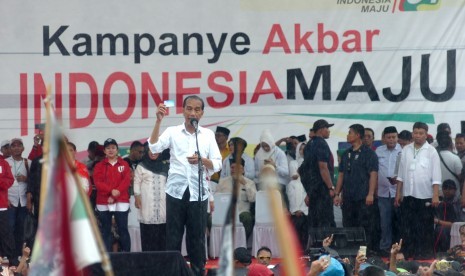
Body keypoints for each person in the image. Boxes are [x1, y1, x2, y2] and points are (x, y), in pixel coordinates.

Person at [147, 95, 222, 276]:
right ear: (183, 111)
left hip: (199, 193)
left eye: (197, 109)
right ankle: (170, 272)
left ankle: (197, 272)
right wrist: (158, 121)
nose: (192, 113)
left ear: (202, 114)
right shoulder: (173, 131)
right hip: (175, 192)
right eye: (189, 109)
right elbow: (154, 148)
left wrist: (202, 161)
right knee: (173, 236)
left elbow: (218, 163)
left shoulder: (207, 135)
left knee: (197, 238)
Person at [395, 122, 442, 259]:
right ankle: (409, 252)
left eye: (421, 133)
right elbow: (401, 174)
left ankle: (424, 253)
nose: (418, 136)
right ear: (412, 133)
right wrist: (398, 193)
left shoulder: (431, 151)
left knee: (424, 226)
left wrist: (435, 195)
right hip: (408, 194)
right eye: (415, 133)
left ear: (426, 134)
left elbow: (436, 175)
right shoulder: (406, 150)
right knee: (408, 225)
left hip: (426, 195)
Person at [334, 124, 379, 253]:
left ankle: (365, 252)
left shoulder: (369, 154)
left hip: (363, 197)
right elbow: (341, 175)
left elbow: (373, 174)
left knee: (364, 226)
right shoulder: (346, 154)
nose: (348, 135)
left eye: (350, 133)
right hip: (348, 198)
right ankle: (351, 252)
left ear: (358, 135)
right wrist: (337, 194)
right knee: (348, 225)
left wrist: (370, 193)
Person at [93, 138, 131, 252]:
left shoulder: (124, 164)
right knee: (105, 229)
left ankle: (127, 256)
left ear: (117, 150)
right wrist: (111, 191)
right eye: (108, 148)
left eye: (113, 148)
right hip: (103, 201)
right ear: (104, 151)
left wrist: (114, 195)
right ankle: (107, 256)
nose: (111, 150)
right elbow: (97, 182)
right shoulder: (99, 166)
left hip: (121, 200)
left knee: (123, 228)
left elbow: (126, 181)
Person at [300, 119, 336, 229]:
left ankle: (315, 244)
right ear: (321, 129)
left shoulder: (309, 145)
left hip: (313, 189)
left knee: (314, 220)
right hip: (322, 189)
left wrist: (309, 191)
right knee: (325, 220)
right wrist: (330, 187)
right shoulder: (321, 144)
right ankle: (326, 245)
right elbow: (323, 168)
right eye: (327, 128)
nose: (329, 131)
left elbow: (303, 170)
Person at [133, 144, 170, 251]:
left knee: (162, 233)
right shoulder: (141, 166)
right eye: (150, 150)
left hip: (162, 204)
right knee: (147, 232)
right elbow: (136, 182)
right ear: (147, 151)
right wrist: (137, 196)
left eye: (156, 150)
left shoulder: (165, 166)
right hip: (146, 204)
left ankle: (161, 261)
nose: (153, 153)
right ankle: (148, 261)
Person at [376, 126, 402, 256]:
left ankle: (399, 247)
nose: (391, 139)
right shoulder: (378, 151)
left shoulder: (403, 150)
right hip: (382, 193)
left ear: (397, 138)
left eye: (394, 137)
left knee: (399, 222)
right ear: (383, 138)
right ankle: (385, 248)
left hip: (398, 192)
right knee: (384, 222)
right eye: (388, 137)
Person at [216, 158, 256, 239]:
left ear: (243, 170)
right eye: (232, 167)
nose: (233, 170)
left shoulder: (250, 183)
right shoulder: (222, 182)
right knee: (210, 219)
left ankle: (242, 243)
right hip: (225, 212)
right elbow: (217, 199)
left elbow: (253, 199)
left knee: (247, 218)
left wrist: (245, 184)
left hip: (242, 213)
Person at [6, 138, 29, 258]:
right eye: (13, 146)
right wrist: (5, 198)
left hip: (24, 201)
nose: (16, 148)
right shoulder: (4, 163)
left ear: (23, 148)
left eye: (19, 145)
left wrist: (26, 179)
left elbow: (34, 181)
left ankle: (19, 256)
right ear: (10, 149)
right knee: (9, 229)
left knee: (21, 230)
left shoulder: (27, 162)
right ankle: (9, 256)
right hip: (10, 201)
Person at [254, 129, 289, 208]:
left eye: (267, 145)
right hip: (263, 185)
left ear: (271, 143)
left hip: (278, 184)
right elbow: (255, 173)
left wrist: (274, 166)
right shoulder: (258, 155)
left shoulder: (279, 153)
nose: (265, 148)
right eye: (263, 146)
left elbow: (286, 172)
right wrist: (262, 171)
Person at [287, 142, 308, 250]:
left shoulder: (311, 161)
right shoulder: (293, 163)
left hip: (307, 187)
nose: (303, 151)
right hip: (296, 186)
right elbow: (293, 176)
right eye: (301, 149)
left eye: (305, 149)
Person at [436, 131, 462, 199]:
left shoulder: (434, 157)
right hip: (453, 195)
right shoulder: (455, 158)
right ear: (450, 144)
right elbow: (460, 176)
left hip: (438, 193)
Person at [434, 179, 458, 253]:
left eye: (450, 188)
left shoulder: (458, 203)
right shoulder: (439, 202)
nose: (447, 190)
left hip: (456, 230)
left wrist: (437, 221)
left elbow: (453, 224)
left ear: (455, 190)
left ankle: (444, 253)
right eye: (445, 188)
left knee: (442, 230)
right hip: (440, 227)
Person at [0, 155, 15, 263]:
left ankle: (6, 257)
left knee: (4, 232)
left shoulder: (3, 163)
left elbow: (10, 179)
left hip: (1, 206)